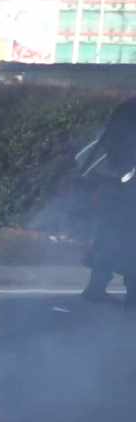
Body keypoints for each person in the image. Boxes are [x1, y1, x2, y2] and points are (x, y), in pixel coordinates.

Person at [79, 97, 136, 305]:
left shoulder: (125, 107)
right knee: (128, 240)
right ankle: (133, 296)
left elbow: (107, 140)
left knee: (109, 236)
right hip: (128, 185)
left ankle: (96, 287)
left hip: (114, 181)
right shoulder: (129, 108)